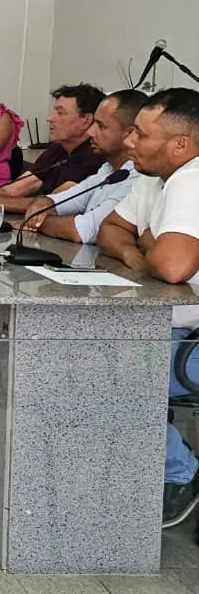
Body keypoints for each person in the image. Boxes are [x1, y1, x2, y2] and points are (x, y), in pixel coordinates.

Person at [95, 89, 199, 530]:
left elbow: (174, 266)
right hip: (169, 329)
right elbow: (110, 230)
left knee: (94, 370)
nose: (129, 141)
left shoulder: (192, 179)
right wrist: (139, 251)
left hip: (190, 344)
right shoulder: (154, 177)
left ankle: (180, 473)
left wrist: (149, 243)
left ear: (180, 145)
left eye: (141, 134)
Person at [0, 83, 104, 212]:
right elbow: (12, 190)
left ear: (86, 120)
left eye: (60, 113)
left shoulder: (96, 156)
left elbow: (51, 204)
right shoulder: (57, 150)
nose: (50, 118)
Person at [20, 89, 145, 243]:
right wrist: (43, 203)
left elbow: (83, 231)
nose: (91, 132)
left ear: (130, 133)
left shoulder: (137, 176)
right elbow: (56, 201)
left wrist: (36, 221)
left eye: (101, 126)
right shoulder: (107, 168)